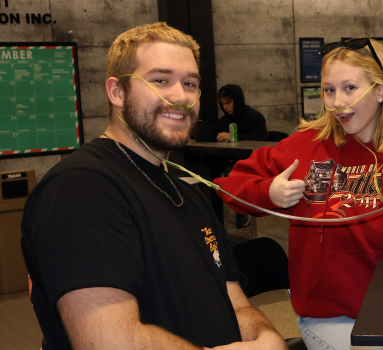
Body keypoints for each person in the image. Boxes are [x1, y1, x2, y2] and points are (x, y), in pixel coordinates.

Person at [20, 22, 286, 350]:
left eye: (190, 83)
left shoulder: (190, 196)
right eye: (160, 80)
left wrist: (267, 338)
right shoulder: (80, 189)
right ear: (117, 92)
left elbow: (235, 303)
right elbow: (110, 341)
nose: (180, 96)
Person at [214, 38, 383, 350]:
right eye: (329, 90)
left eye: (349, 88)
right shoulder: (305, 146)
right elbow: (228, 184)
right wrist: (269, 193)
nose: (337, 102)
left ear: (381, 91)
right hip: (329, 314)